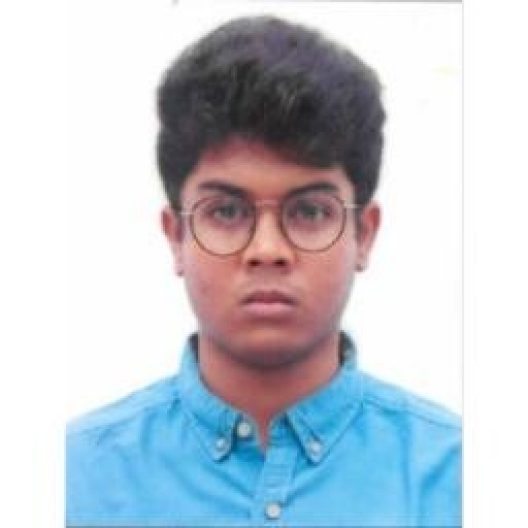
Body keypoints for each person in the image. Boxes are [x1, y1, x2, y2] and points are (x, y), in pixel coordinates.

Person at [66, 15, 461, 527]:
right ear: (176, 236)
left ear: (364, 234)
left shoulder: (458, 478)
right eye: (227, 212)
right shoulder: (76, 478)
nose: (267, 250)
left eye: (310, 211)